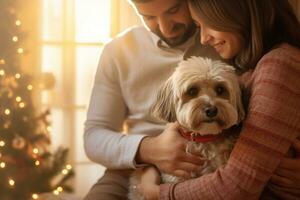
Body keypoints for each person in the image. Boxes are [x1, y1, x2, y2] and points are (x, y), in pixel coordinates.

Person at [83, 0, 300, 199]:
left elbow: (272, 117)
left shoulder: (230, 41)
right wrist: (149, 151)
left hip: (218, 161)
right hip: (134, 167)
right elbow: (93, 136)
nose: (165, 27)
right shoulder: (117, 51)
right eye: (148, 17)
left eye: (174, 10)